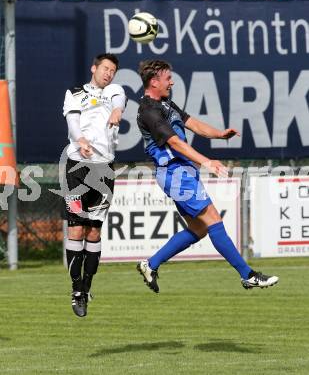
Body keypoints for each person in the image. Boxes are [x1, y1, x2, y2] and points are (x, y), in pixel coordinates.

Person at [136, 59, 278, 293]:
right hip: (174, 172)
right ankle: (248, 275)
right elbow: (174, 142)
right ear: (154, 82)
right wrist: (206, 161)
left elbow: (193, 123)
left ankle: (150, 264)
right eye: (167, 78)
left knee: (200, 229)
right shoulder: (149, 110)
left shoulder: (165, 103)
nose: (171, 82)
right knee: (213, 219)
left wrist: (219, 135)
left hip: (182, 171)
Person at [61, 53, 126, 317]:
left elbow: (120, 100)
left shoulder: (114, 91)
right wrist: (80, 141)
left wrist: (118, 109)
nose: (109, 73)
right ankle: (77, 290)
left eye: (112, 70)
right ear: (94, 68)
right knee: (76, 230)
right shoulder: (75, 92)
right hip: (76, 167)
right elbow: (72, 121)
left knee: (94, 233)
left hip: (103, 169)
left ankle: (87, 286)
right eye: (105, 68)